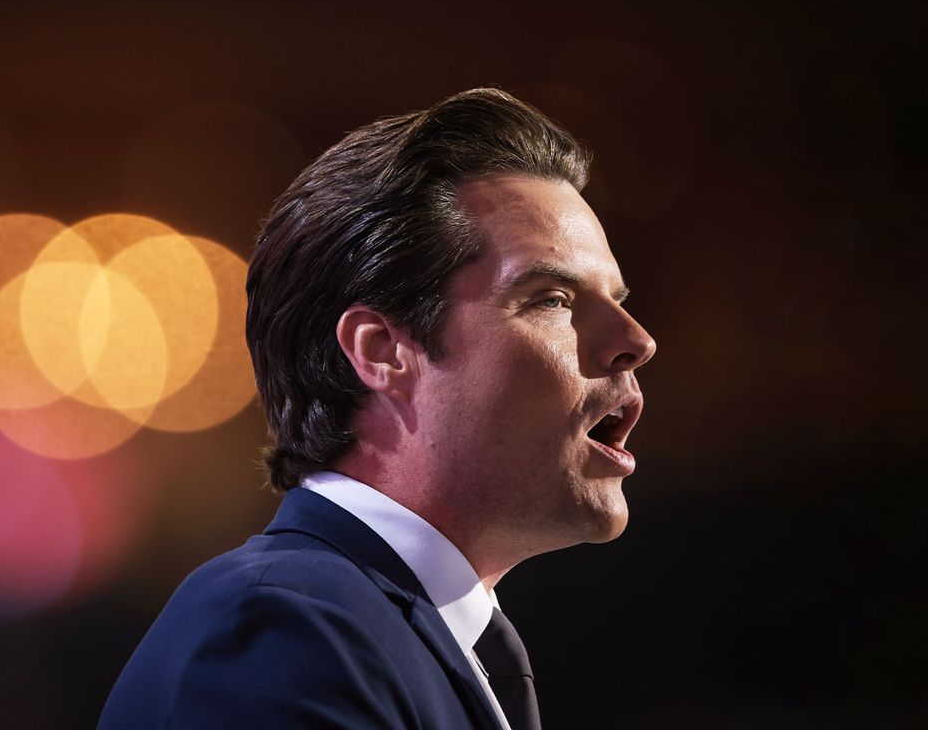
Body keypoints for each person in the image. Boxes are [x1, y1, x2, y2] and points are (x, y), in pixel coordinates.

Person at [98, 88, 657, 729]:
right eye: (553, 298)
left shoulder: (379, 629)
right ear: (385, 351)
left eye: (616, 298)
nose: (636, 341)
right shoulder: (280, 633)